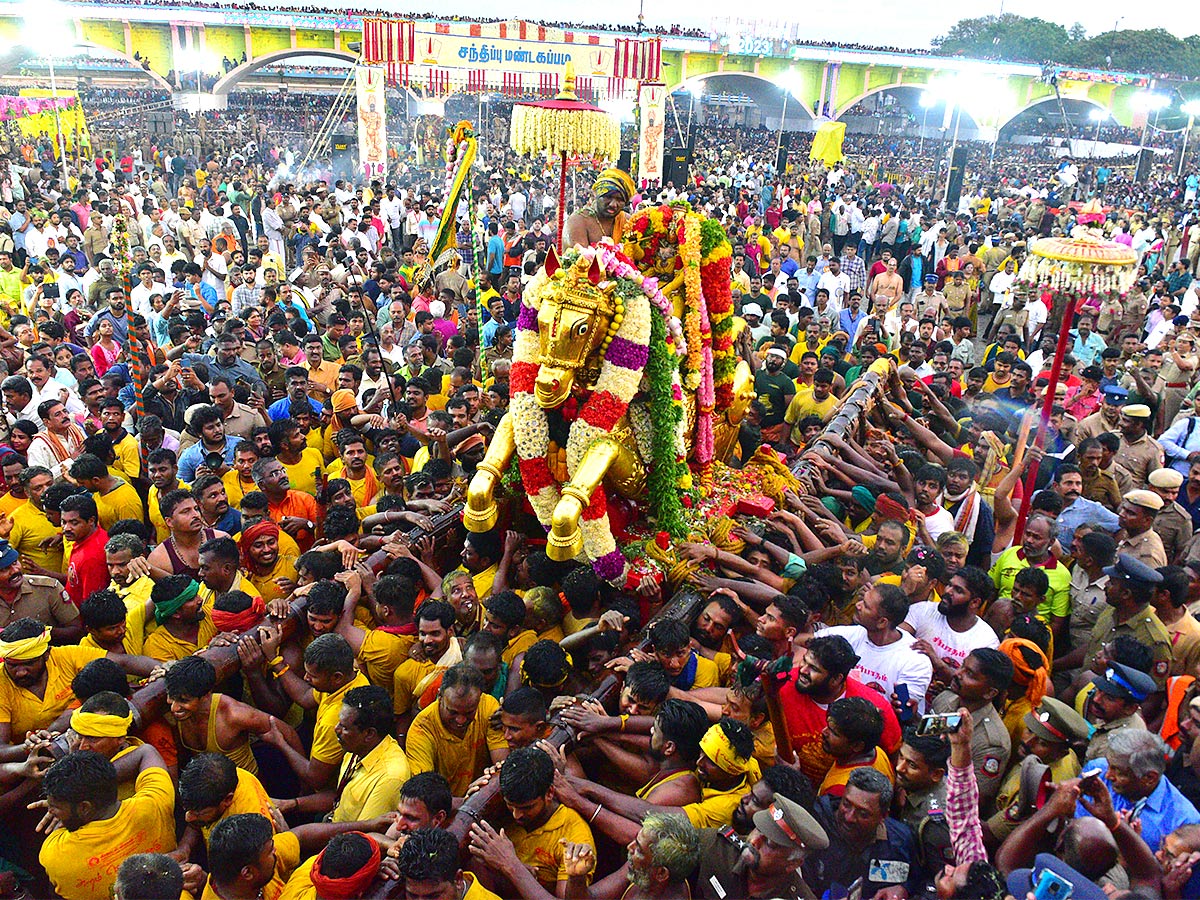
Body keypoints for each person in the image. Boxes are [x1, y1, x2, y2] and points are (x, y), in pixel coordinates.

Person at [39, 748, 176, 900]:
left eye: (55, 807)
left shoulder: (56, 854)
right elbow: (147, 752)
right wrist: (98, 783)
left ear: (85, 807)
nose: (50, 811)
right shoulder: (155, 803)